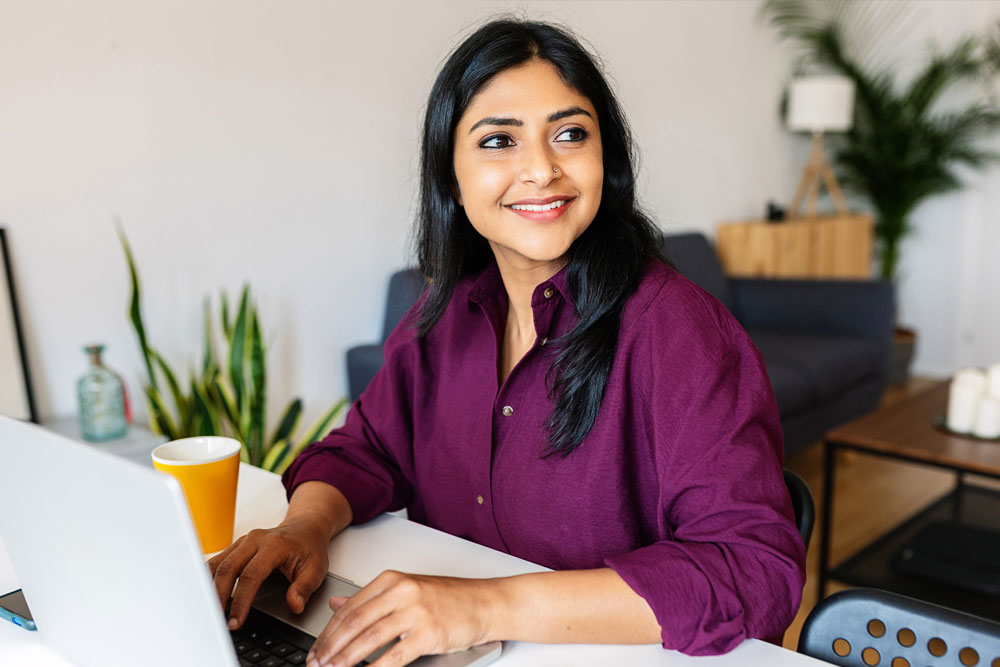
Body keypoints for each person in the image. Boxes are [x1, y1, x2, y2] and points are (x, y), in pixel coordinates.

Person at [208, 18, 806, 667]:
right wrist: (305, 526)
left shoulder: (677, 331)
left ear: (607, 156)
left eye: (570, 134)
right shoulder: (442, 317)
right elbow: (365, 448)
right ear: (452, 178)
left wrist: (482, 606)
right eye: (499, 140)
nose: (542, 169)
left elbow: (753, 569)